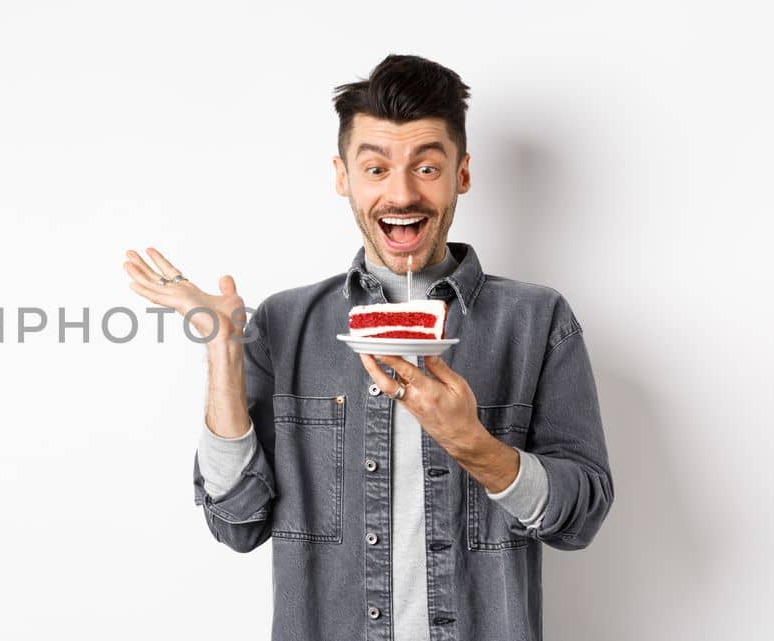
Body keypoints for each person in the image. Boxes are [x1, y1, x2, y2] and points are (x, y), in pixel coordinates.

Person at [122, 54, 613, 641]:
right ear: (342, 176)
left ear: (462, 174)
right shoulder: (285, 324)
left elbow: (580, 517)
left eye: (427, 167)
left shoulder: (537, 320)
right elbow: (237, 524)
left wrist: (474, 444)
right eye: (375, 168)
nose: (401, 194)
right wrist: (224, 351)